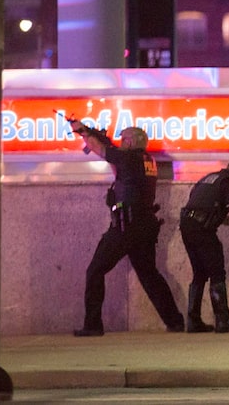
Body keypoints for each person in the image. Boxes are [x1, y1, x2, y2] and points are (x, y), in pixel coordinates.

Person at [69, 120, 184, 336]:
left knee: (95, 271)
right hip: (144, 225)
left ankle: (93, 325)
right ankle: (175, 320)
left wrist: (83, 131)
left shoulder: (129, 157)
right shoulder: (146, 160)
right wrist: (99, 138)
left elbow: (100, 150)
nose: (121, 144)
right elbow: (117, 168)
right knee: (150, 275)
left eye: (124, 140)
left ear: (130, 142)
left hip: (126, 226)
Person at [179, 156, 229, 333]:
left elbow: (203, 207)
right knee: (217, 272)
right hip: (203, 230)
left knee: (200, 273)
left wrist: (225, 220)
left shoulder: (209, 178)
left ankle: (193, 320)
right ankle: (222, 319)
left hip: (188, 226)